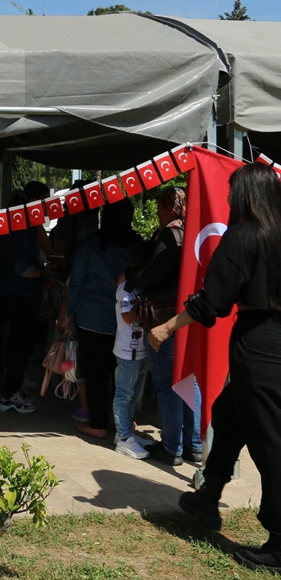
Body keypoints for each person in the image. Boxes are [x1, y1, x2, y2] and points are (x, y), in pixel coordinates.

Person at [150, 163, 281, 571]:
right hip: (276, 342)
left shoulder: (245, 236)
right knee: (229, 418)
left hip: (259, 347)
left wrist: (169, 325)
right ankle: (208, 498)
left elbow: (214, 300)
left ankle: (280, 543)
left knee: (271, 444)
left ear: (245, 196)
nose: (226, 199)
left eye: (232, 192)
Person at [125, 187, 202, 466]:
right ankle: (194, 444)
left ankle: (172, 447)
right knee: (188, 382)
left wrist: (132, 273)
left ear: (169, 207)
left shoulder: (170, 235)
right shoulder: (191, 231)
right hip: (187, 316)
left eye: (159, 205)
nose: (157, 210)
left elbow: (152, 276)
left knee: (167, 385)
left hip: (164, 320)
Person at [64, 200, 141, 440]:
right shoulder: (137, 245)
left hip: (92, 318)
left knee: (96, 374)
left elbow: (76, 282)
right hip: (126, 320)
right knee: (123, 373)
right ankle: (124, 421)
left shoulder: (90, 244)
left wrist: (68, 314)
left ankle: (98, 424)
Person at [0, 184, 54, 414]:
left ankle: (13, 387)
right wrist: (43, 272)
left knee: (15, 346)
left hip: (9, 292)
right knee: (21, 346)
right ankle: (9, 395)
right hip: (20, 294)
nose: (48, 206)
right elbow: (23, 267)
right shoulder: (25, 229)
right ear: (35, 201)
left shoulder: (13, 225)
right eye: (45, 201)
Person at [111, 242, 156, 459]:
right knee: (124, 394)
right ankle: (123, 438)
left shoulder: (140, 285)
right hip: (127, 352)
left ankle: (126, 432)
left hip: (141, 350)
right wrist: (147, 303)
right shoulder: (127, 287)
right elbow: (128, 316)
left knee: (134, 396)